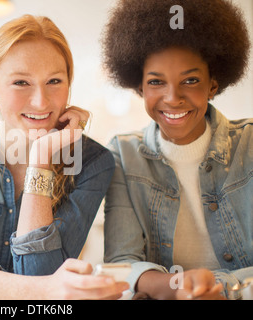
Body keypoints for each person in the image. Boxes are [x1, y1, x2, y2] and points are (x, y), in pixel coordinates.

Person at [0, 14, 128, 300]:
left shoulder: (94, 162)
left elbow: (39, 270)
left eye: (54, 81)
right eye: (21, 82)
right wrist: (46, 289)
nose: (41, 102)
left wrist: (41, 158)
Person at [102, 0, 252, 300]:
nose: (172, 98)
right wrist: (177, 287)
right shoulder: (123, 154)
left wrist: (219, 290)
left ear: (212, 84)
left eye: (191, 80)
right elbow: (122, 264)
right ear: (140, 88)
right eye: (156, 82)